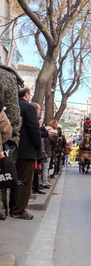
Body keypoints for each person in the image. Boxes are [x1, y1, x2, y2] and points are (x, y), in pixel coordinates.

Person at [9, 88, 40, 220]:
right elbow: (34, 129)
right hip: (26, 151)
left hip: (11, 149)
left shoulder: (13, 107)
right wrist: (38, 146)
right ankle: (18, 210)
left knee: (13, 179)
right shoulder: (29, 108)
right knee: (24, 181)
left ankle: (12, 206)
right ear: (26, 95)